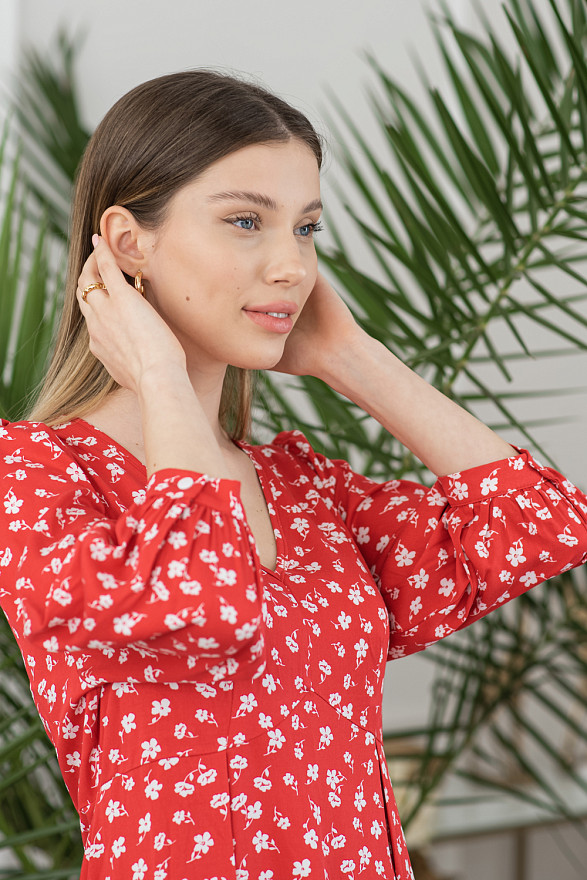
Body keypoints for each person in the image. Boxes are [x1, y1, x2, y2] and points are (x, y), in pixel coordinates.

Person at [1, 70, 586, 880]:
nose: (290, 265)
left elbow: (541, 525)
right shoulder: (34, 478)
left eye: (306, 229)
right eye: (246, 221)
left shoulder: (299, 486)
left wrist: (354, 359)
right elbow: (202, 609)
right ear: (128, 243)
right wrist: (160, 379)